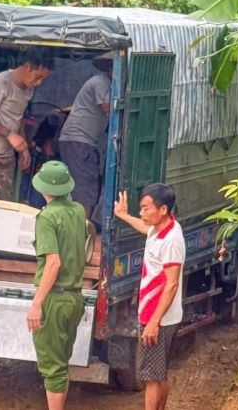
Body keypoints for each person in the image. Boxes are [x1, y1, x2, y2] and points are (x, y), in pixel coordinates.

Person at [113, 183, 185, 410]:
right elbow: (145, 229)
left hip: (159, 317)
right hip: (157, 315)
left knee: (150, 377)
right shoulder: (162, 229)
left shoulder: (171, 240)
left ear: (162, 209)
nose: (142, 213)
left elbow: (171, 284)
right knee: (158, 373)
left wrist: (154, 322)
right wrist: (124, 216)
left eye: (145, 208)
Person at [26, 161, 88, 410]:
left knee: (52, 368)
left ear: (44, 189)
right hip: (74, 297)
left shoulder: (47, 217)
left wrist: (36, 304)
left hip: (54, 298)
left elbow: (53, 263)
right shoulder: (78, 210)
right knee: (61, 364)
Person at [0, 51, 54, 200]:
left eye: (43, 80)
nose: (39, 83)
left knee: (4, 202)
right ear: (27, 67)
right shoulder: (0, 83)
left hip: (6, 155)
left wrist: (23, 148)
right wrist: (9, 135)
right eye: (38, 77)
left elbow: (18, 118)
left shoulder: (29, 89)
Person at [59, 52, 113, 226]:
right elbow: (109, 109)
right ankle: (80, 233)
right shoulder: (101, 83)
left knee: (85, 186)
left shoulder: (105, 84)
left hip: (80, 141)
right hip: (79, 141)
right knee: (85, 189)